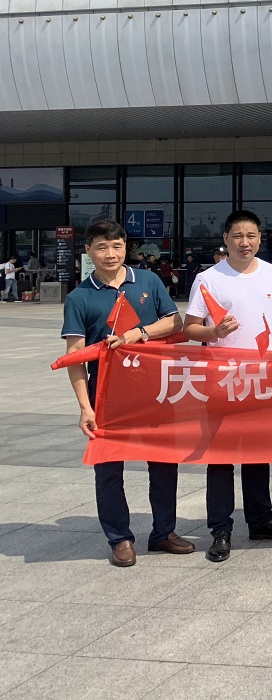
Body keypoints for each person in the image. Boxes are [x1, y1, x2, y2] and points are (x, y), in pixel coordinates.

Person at [60, 220, 191, 566]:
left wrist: (139, 334)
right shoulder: (78, 297)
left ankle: (164, 532)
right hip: (107, 395)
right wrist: (85, 407)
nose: (110, 254)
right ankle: (120, 538)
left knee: (164, 463)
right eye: (102, 247)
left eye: (116, 246)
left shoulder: (147, 281)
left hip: (154, 390)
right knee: (108, 469)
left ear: (125, 247)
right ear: (88, 251)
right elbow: (75, 358)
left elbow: (175, 322)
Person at [185, 209, 272, 563]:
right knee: (220, 457)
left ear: (260, 239)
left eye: (251, 236)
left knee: (258, 453)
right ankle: (220, 529)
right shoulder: (208, 278)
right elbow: (190, 328)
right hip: (222, 380)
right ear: (226, 240)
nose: (244, 242)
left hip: (263, 378)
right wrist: (213, 332)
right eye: (237, 236)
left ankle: (260, 520)